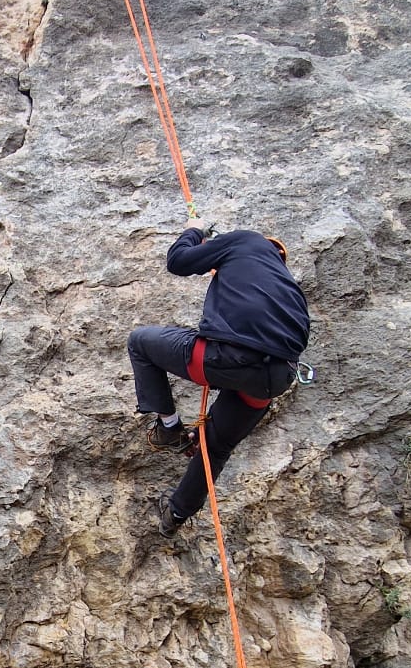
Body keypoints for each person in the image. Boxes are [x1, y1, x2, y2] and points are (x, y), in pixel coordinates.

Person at [127, 223, 310, 535]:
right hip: (274, 379)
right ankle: (176, 515)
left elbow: (179, 261)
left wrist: (193, 233)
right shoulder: (286, 287)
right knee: (217, 445)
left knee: (140, 342)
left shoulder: (244, 241)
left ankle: (169, 428)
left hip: (225, 357)